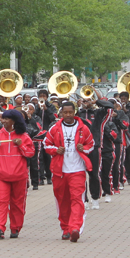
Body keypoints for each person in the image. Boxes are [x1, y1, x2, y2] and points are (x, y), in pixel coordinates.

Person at [44, 102, 94, 242]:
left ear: (74, 112)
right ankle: (65, 228)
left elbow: (91, 144)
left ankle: (75, 228)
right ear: (61, 113)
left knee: (77, 199)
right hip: (60, 171)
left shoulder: (83, 128)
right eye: (65, 112)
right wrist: (55, 150)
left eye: (70, 112)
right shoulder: (54, 128)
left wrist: (83, 148)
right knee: (62, 201)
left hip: (77, 170)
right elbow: (46, 144)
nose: (67, 115)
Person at [0, 110, 34, 239]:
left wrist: (21, 145)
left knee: (18, 203)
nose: (3, 121)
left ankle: (15, 228)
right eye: (2, 119)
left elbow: (30, 153)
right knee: (2, 201)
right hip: (2, 175)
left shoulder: (24, 136)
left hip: (19, 176)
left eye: (6, 119)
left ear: (14, 121)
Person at [36, 89, 57, 185]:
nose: (42, 97)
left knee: (47, 156)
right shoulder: (36, 106)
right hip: (39, 134)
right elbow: (34, 117)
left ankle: (49, 176)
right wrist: (38, 108)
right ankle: (40, 177)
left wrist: (46, 109)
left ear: (47, 97)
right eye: (41, 96)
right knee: (40, 157)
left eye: (44, 96)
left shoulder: (51, 106)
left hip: (48, 133)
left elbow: (53, 118)